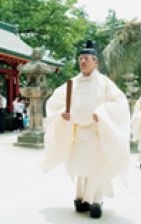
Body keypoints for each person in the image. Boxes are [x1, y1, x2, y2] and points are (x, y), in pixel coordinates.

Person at [40, 40, 130, 219]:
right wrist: (62, 114)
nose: (82, 62)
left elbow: (119, 103)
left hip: (97, 134)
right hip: (78, 133)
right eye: (80, 58)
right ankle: (80, 198)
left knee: (96, 168)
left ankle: (96, 201)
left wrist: (102, 112)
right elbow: (55, 103)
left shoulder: (104, 83)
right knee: (80, 167)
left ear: (95, 62)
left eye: (86, 58)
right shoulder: (72, 83)